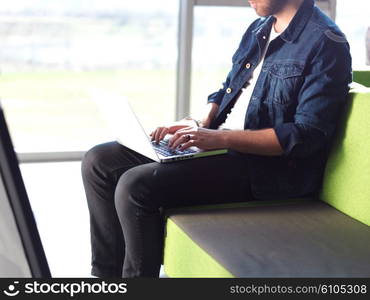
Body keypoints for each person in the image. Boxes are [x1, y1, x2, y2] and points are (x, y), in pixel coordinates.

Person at [81, 0, 352, 278]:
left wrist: (221, 138)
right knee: (99, 161)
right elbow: (228, 91)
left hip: (267, 170)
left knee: (134, 186)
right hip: (221, 145)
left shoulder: (326, 43)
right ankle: (106, 280)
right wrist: (196, 124)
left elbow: (306, 136)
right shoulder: (260, 28)